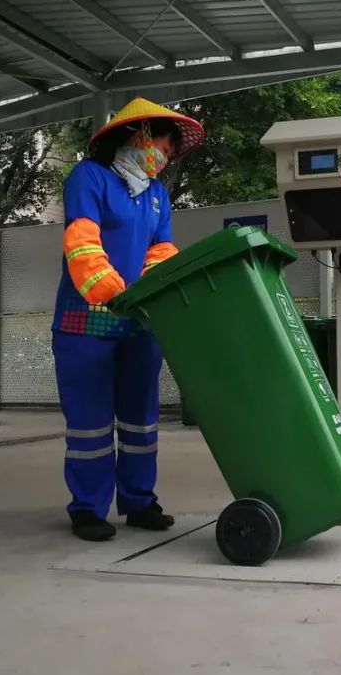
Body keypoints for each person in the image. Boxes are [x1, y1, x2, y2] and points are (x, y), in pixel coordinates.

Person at [52, 97, 205, 542]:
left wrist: (152, 296)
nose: (165, 154)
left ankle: (139, 501)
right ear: (137, 136)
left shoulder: (158, 195)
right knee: (90, 422)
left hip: (140, 323)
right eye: (162, 143)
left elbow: (161, 251)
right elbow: (82, 240)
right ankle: (88, 509)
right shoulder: (89, 177)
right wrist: (116, 294)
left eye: (171, 150)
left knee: (141, 418)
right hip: (86, 322)